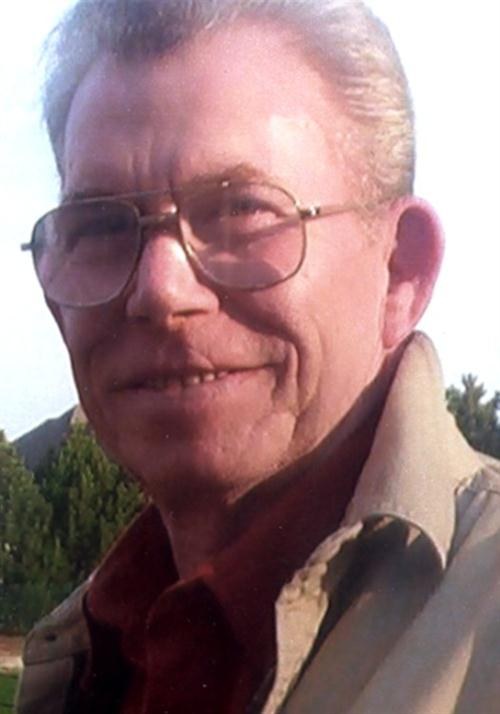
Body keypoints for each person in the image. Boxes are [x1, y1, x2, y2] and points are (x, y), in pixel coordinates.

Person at [16, 1, 500, 713]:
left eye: (242, 211)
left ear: (400, 270)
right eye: (99, 227)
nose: (159, 290)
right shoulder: (86, 652)